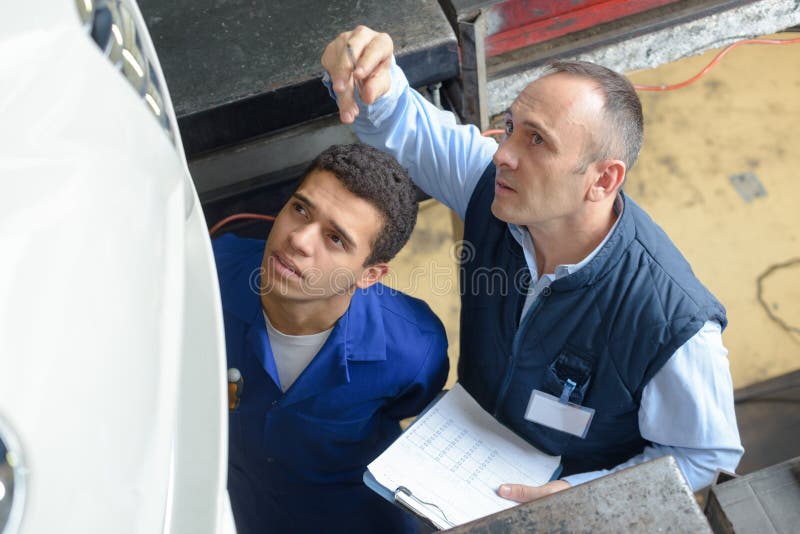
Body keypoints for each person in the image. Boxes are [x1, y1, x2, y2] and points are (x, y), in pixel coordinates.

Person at [321, 26, 743, 503]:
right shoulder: (496, 189)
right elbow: (401, 123)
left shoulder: (671, 322)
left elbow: (706, 458)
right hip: (461, 455)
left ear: (603, 179)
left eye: (537, 141)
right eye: (511, 127)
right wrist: (365, 67)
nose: (503, 154)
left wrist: (579, 495)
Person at [213, 143, 449, 533]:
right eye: (300, 209)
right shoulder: (211, 274)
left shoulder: (414, 348)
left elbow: (411, 404)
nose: (300, 241)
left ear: (369, 275)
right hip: (242, 511)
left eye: (336, 239)